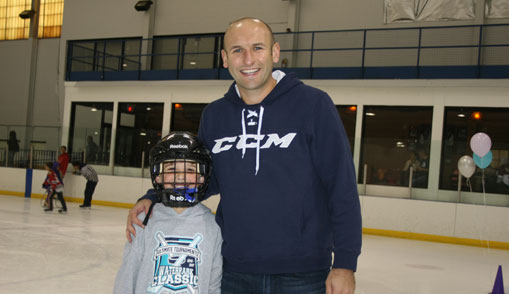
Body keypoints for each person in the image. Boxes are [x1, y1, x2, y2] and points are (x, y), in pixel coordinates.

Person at [127, 17, 362, 294]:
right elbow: (205, 179)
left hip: (303, 273)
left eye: (258, 48)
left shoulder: (314, 105)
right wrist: (154, 196)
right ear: (225, 59)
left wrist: (345, 264)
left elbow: (341, 187)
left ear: (275, 52)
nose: (248, 59)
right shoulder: (215, 115)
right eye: (237, 50)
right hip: (235, 270)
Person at [114, 131, 222, 294]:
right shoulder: (144, 220)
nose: (180, 176)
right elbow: (127, 276)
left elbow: (213, 284)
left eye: (190, 169)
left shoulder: (213, 227)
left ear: (202, 177)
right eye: (172, 168)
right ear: (158, 176)